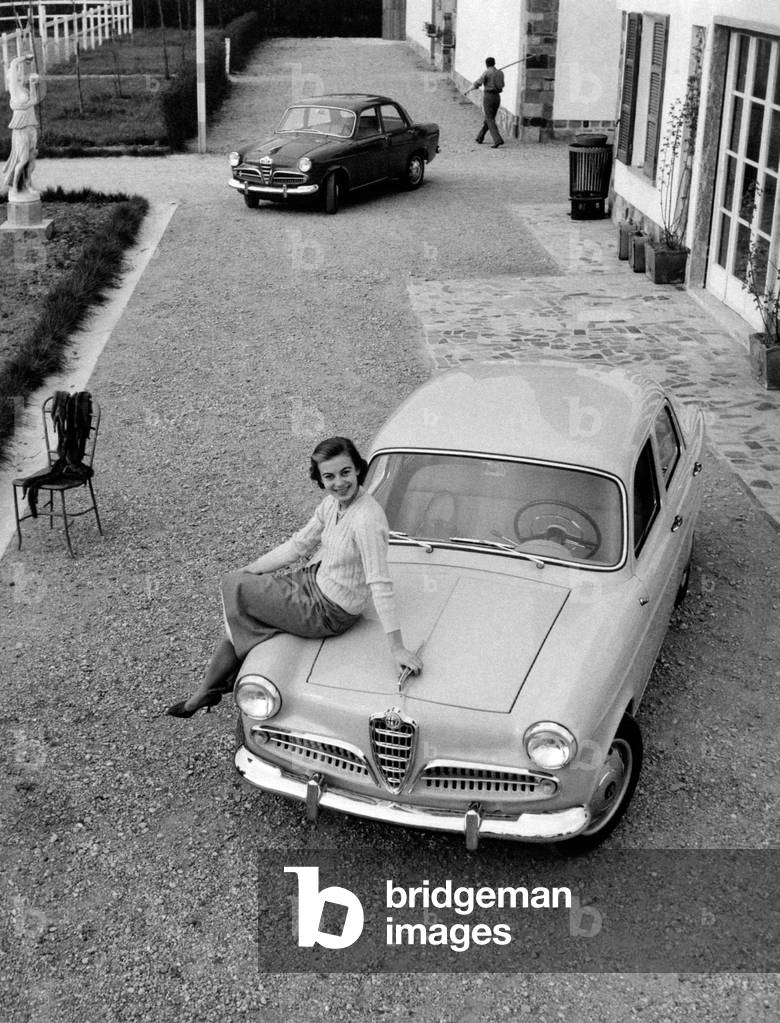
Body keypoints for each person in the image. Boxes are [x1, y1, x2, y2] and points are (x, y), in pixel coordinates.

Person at [167, 437, 423, 718]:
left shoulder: (367, 519)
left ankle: (209, 691)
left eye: (345, 472)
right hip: (313, 582)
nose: (339, 482)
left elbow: (380, 582)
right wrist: (251, 570)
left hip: (330, 611)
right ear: (320, 479)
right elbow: (298, 545)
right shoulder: (331, 504)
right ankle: (205, 693)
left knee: (233, 588)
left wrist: (397, 648)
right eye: (329, 476)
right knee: (239, 592)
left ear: (359, 470)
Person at [2, 54, 45, 199]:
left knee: (31, 158)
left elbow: (34, 100)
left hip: (31, 125)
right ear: (10, 77)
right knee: (23, 159)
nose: (19, 74)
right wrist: (24, 58)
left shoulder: (24, 90)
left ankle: (28, 184)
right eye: (16, 73)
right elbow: (13, 63)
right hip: (20, 127)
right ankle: (14, 187)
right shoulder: (14, 89)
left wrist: (33, 83)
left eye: (20, 72)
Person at [471, 57, 505, 148]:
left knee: (489, 119)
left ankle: (497, 139)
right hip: (497, 97)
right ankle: (480, 137)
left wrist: (468, 90)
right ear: (494, 63)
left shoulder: (487, 72)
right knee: (490, 118)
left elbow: (478, 83)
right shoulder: (500, 73)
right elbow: (502, 86)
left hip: (488, 97)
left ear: (486, 64)